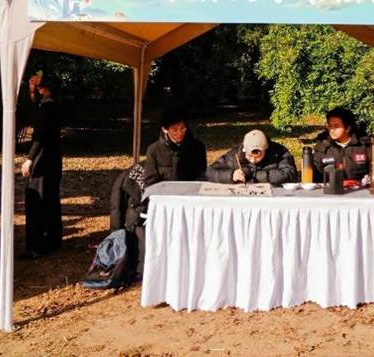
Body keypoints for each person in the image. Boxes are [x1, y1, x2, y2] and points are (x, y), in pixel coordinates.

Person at [110, 108, 207, 276]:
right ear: (165, 129)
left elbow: (202, 175)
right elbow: (151, 180)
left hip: (190, 199)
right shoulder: (154, 150)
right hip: (164, 201)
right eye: (175, 129)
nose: (180, 133)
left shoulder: (197, 147)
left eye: (183, 128)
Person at [20, 70, 63, 259]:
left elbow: (40, 134)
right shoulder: (52, 104)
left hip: (43, 158)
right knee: (50, 198)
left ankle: (37, 245)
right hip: (52, 158)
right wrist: (32, 91)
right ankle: (52, 240)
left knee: (37, 199)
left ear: (43, 87)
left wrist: (30, 158)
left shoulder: (47, 107)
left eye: (36, 85)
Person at [206, 129, 297, 184]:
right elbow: (209, 172)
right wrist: (231, 175)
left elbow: (290, 174)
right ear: (244, 150)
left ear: (266, 150)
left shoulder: (279, 152)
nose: (253, 160)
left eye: (258, 156)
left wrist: (255, 175)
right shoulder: (236, 154)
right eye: (249, 156)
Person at [312, 107, 371, 183]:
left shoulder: (363, 145)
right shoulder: (322, 146)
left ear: (348, 128)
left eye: (336, 126)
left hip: (360, 188)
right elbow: (315, 176)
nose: (332, 130)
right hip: (330, 188)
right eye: (330, 126)